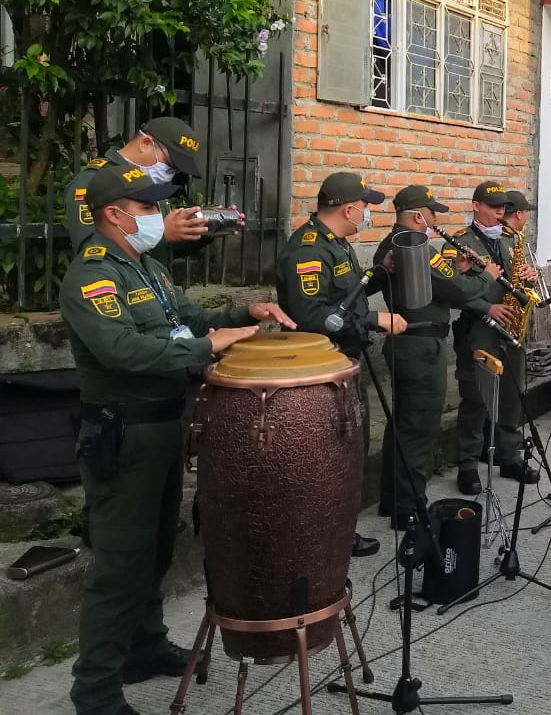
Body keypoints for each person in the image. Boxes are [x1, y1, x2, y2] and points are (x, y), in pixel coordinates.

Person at [61, 162, 294, 715]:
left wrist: (244, 312)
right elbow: (122, 350)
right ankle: (94, 693)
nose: (157, 216)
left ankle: (142, 647)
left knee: (159, 548)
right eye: (146, 207)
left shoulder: (145, 267)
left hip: (165, 426)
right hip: (125, 433)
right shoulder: (94, 274)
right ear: (114, 215)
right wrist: (208, 348)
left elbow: (185, 317)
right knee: (120, 567)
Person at [276, 171, 405, 558]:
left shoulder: (336, 243)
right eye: (365, 207)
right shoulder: (308, 250)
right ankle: (322, 539)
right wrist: (375, 320)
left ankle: (338, 532)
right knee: (330, 454)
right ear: (349, 209)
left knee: (350, 450)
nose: (367, 214)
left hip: (344, 362)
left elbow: (345, 296)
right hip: (320, 371)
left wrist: (380, 271)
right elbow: (310, 314)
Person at [367, 185, 502, 528]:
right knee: (419, 429)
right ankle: (409, 508)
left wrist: (456, 267)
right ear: (416, 215)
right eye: (431, 214)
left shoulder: (395, 243)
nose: (435, 220)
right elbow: (457, 292)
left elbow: (438, 287)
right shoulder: (414, 245)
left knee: (405, 426)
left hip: (411, 344)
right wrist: (486, 276)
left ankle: (393, 499)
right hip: (420, 347)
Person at [449, 182, 539, 494]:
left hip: (510, 327)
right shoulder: (459, 242)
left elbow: (516, 275)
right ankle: (468, 464)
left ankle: (509, 455)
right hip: (479, 328)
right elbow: (451, 289)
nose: (501, 212)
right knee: (476, 397)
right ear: (475, 206)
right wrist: (486, 306)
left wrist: (529, 274)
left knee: (513, 395)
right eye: (493, 206)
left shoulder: (507, 239)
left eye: (503, 207)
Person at [63, 117, 217, 254]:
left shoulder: (150, 184)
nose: (171, 174)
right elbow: (91, 250)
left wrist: (202, 232)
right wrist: (163, 235)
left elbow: (157, 254)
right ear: (145, 144)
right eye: (170, 165)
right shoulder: (93, 181)